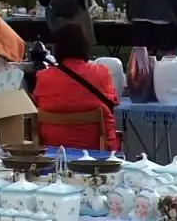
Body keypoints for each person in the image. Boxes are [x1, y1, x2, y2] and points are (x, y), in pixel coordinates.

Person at [34, 22, 121, 151]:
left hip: (52, 150)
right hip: (96, 150)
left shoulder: (43, 77)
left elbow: (36, 106)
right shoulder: (102, 73)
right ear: (85, 45)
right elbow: (113, 102)